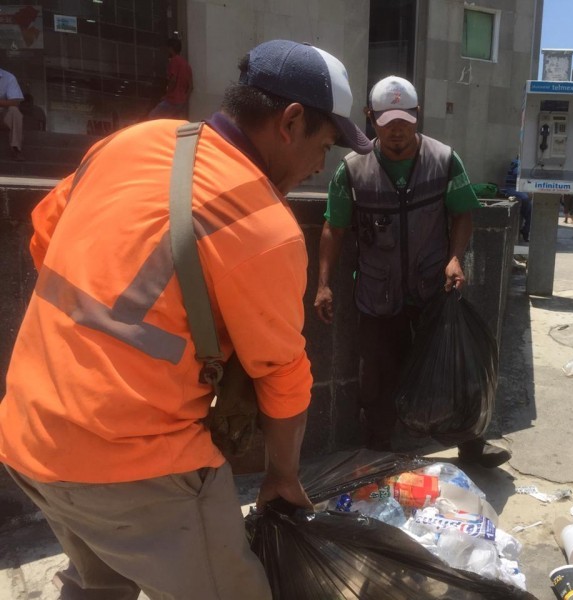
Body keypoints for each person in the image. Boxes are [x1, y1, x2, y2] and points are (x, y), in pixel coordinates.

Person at [0, 39, 372, 599]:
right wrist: (282, 477)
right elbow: (282, 375)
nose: (322, 165)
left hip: (27, 433)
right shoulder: (264, 226)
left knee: (100, 583)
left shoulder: (133, 141)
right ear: (290, 121)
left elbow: (46, 236)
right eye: (325, 145)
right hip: (138, 467)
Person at [314, 75, 511, 469]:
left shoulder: (444, 159)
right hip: (376, 293)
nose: (397, 132)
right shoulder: (352, 169)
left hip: (431, 289)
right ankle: (380, 450)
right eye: (387, 123)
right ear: (371, 119)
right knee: (376, 379)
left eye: (404, 121)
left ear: (418, 116)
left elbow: (462, 215)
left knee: (454, 368)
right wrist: (323, 283)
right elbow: (333, 228)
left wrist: (455, 257)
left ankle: (470, 445)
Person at [148, 37, 193, 119]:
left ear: (170, 48)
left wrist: (167, 95)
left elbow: (173, 80)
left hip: (172, 99)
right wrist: (185, 99)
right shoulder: (187, 65)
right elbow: (190, 86)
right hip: (181, 102)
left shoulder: (174, 61)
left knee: (152, 117)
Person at [0, 67, 25, 160]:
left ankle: (16, 148)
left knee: (15, 111)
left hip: (2, 113)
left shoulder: (9, 78)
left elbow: (15, 101)